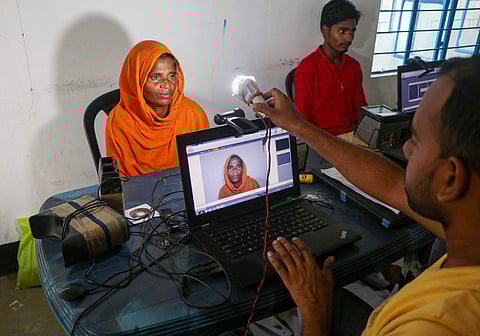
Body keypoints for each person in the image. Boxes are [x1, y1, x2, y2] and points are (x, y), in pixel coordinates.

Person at [253, 56, 480, 335]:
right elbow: (392, 186)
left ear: (451, 178)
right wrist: (298, 125)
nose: (406, 149)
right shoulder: (469, 227)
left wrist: (314, 311)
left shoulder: (433, 325)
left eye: (416, 140)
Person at [105, 40, 209, 176]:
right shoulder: (119, 122)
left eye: (171, 76)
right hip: (140, 195)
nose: (166, 85)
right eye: (155, 77)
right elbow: (123, 184)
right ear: (137, 80)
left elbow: (204, 169)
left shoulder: (194, 114)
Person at [295, 0, 367, 135]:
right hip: (322, 141)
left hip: (351, 138)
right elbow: (303, 121)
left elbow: (360, 110)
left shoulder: (354, 66)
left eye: (352, 31)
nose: (349, 38)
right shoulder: (308, 69)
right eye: (342, 31)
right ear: (325, 30)